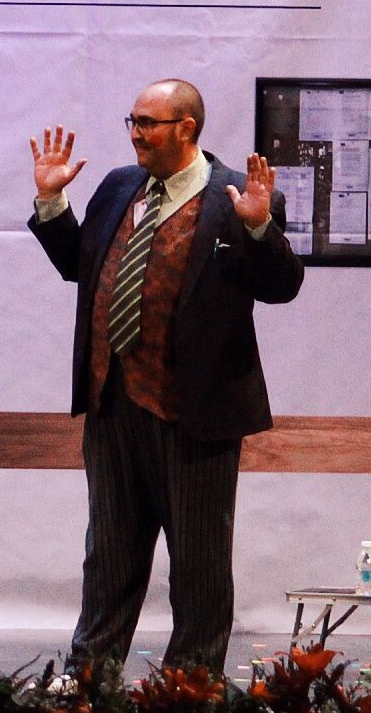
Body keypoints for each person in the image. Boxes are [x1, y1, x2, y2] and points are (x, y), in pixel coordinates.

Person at [29, 78, 301, 670]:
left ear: (186, 128)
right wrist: (51, 205)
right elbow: (80, 265)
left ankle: (189, 695)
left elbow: (282, 287)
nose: (135, 133)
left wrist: (258, 229)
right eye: (131, 120)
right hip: (113, 404)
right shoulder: (118, 187)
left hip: (194, 414)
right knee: (109, 559)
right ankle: (88, 687)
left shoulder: (238, 195)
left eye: (147, 122)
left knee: (199, 568)